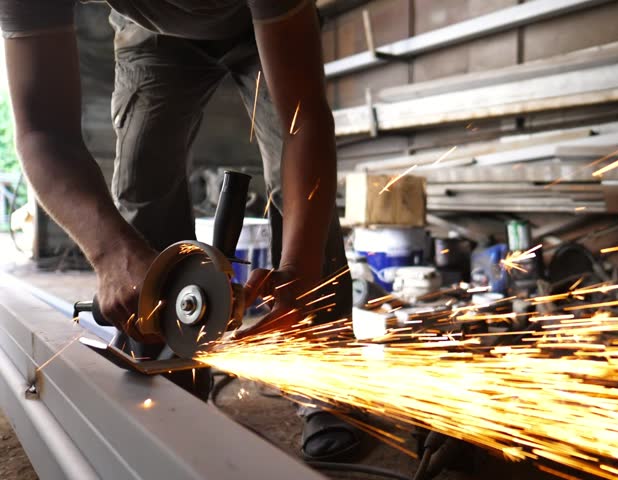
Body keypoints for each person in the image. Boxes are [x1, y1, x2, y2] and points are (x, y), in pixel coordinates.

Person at [0, 0, 359, 461]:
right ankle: (167, 364)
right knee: (142, 180)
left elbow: (303, 121)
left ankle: (320, 371)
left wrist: (300, 267)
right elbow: (44, 133)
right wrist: (113, 256)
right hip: (151, 34)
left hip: (264, 23)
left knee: (299, 197)